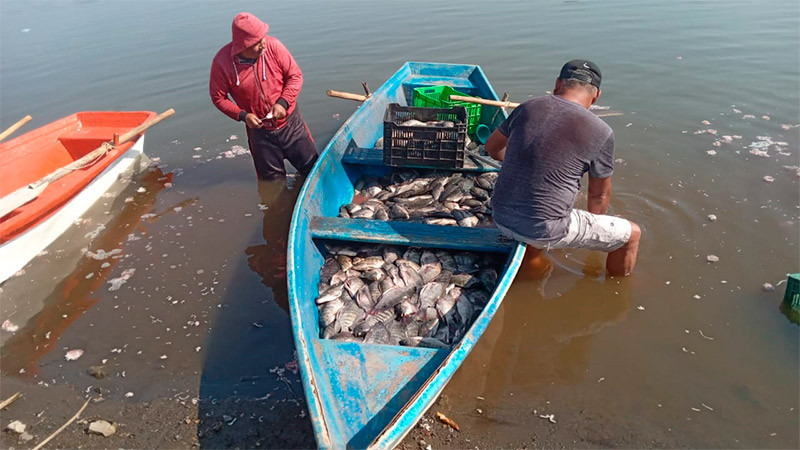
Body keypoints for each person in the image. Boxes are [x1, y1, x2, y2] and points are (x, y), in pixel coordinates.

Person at [485, 59, 641, 277]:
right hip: (542, 230)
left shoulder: (527, 107)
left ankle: (533, 254)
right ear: (596, 95)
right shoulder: (601, 131)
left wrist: (518, 163)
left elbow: (492, 148)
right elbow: (598, 194)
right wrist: (597, 223)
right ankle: (616, 289)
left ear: (557, 84)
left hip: (500, 215)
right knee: (632, 234)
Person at [209, 12, 317, 180]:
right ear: (243, 46)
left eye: (263, 38)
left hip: (291, 125)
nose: (263, 44)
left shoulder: (274, 47)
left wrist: (283, 103)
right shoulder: (222, 62)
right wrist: (243, 115)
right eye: (257, 42)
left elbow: (295, 76)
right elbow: (218, 97)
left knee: (313, 171)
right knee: (272, 184)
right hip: (260, 133)